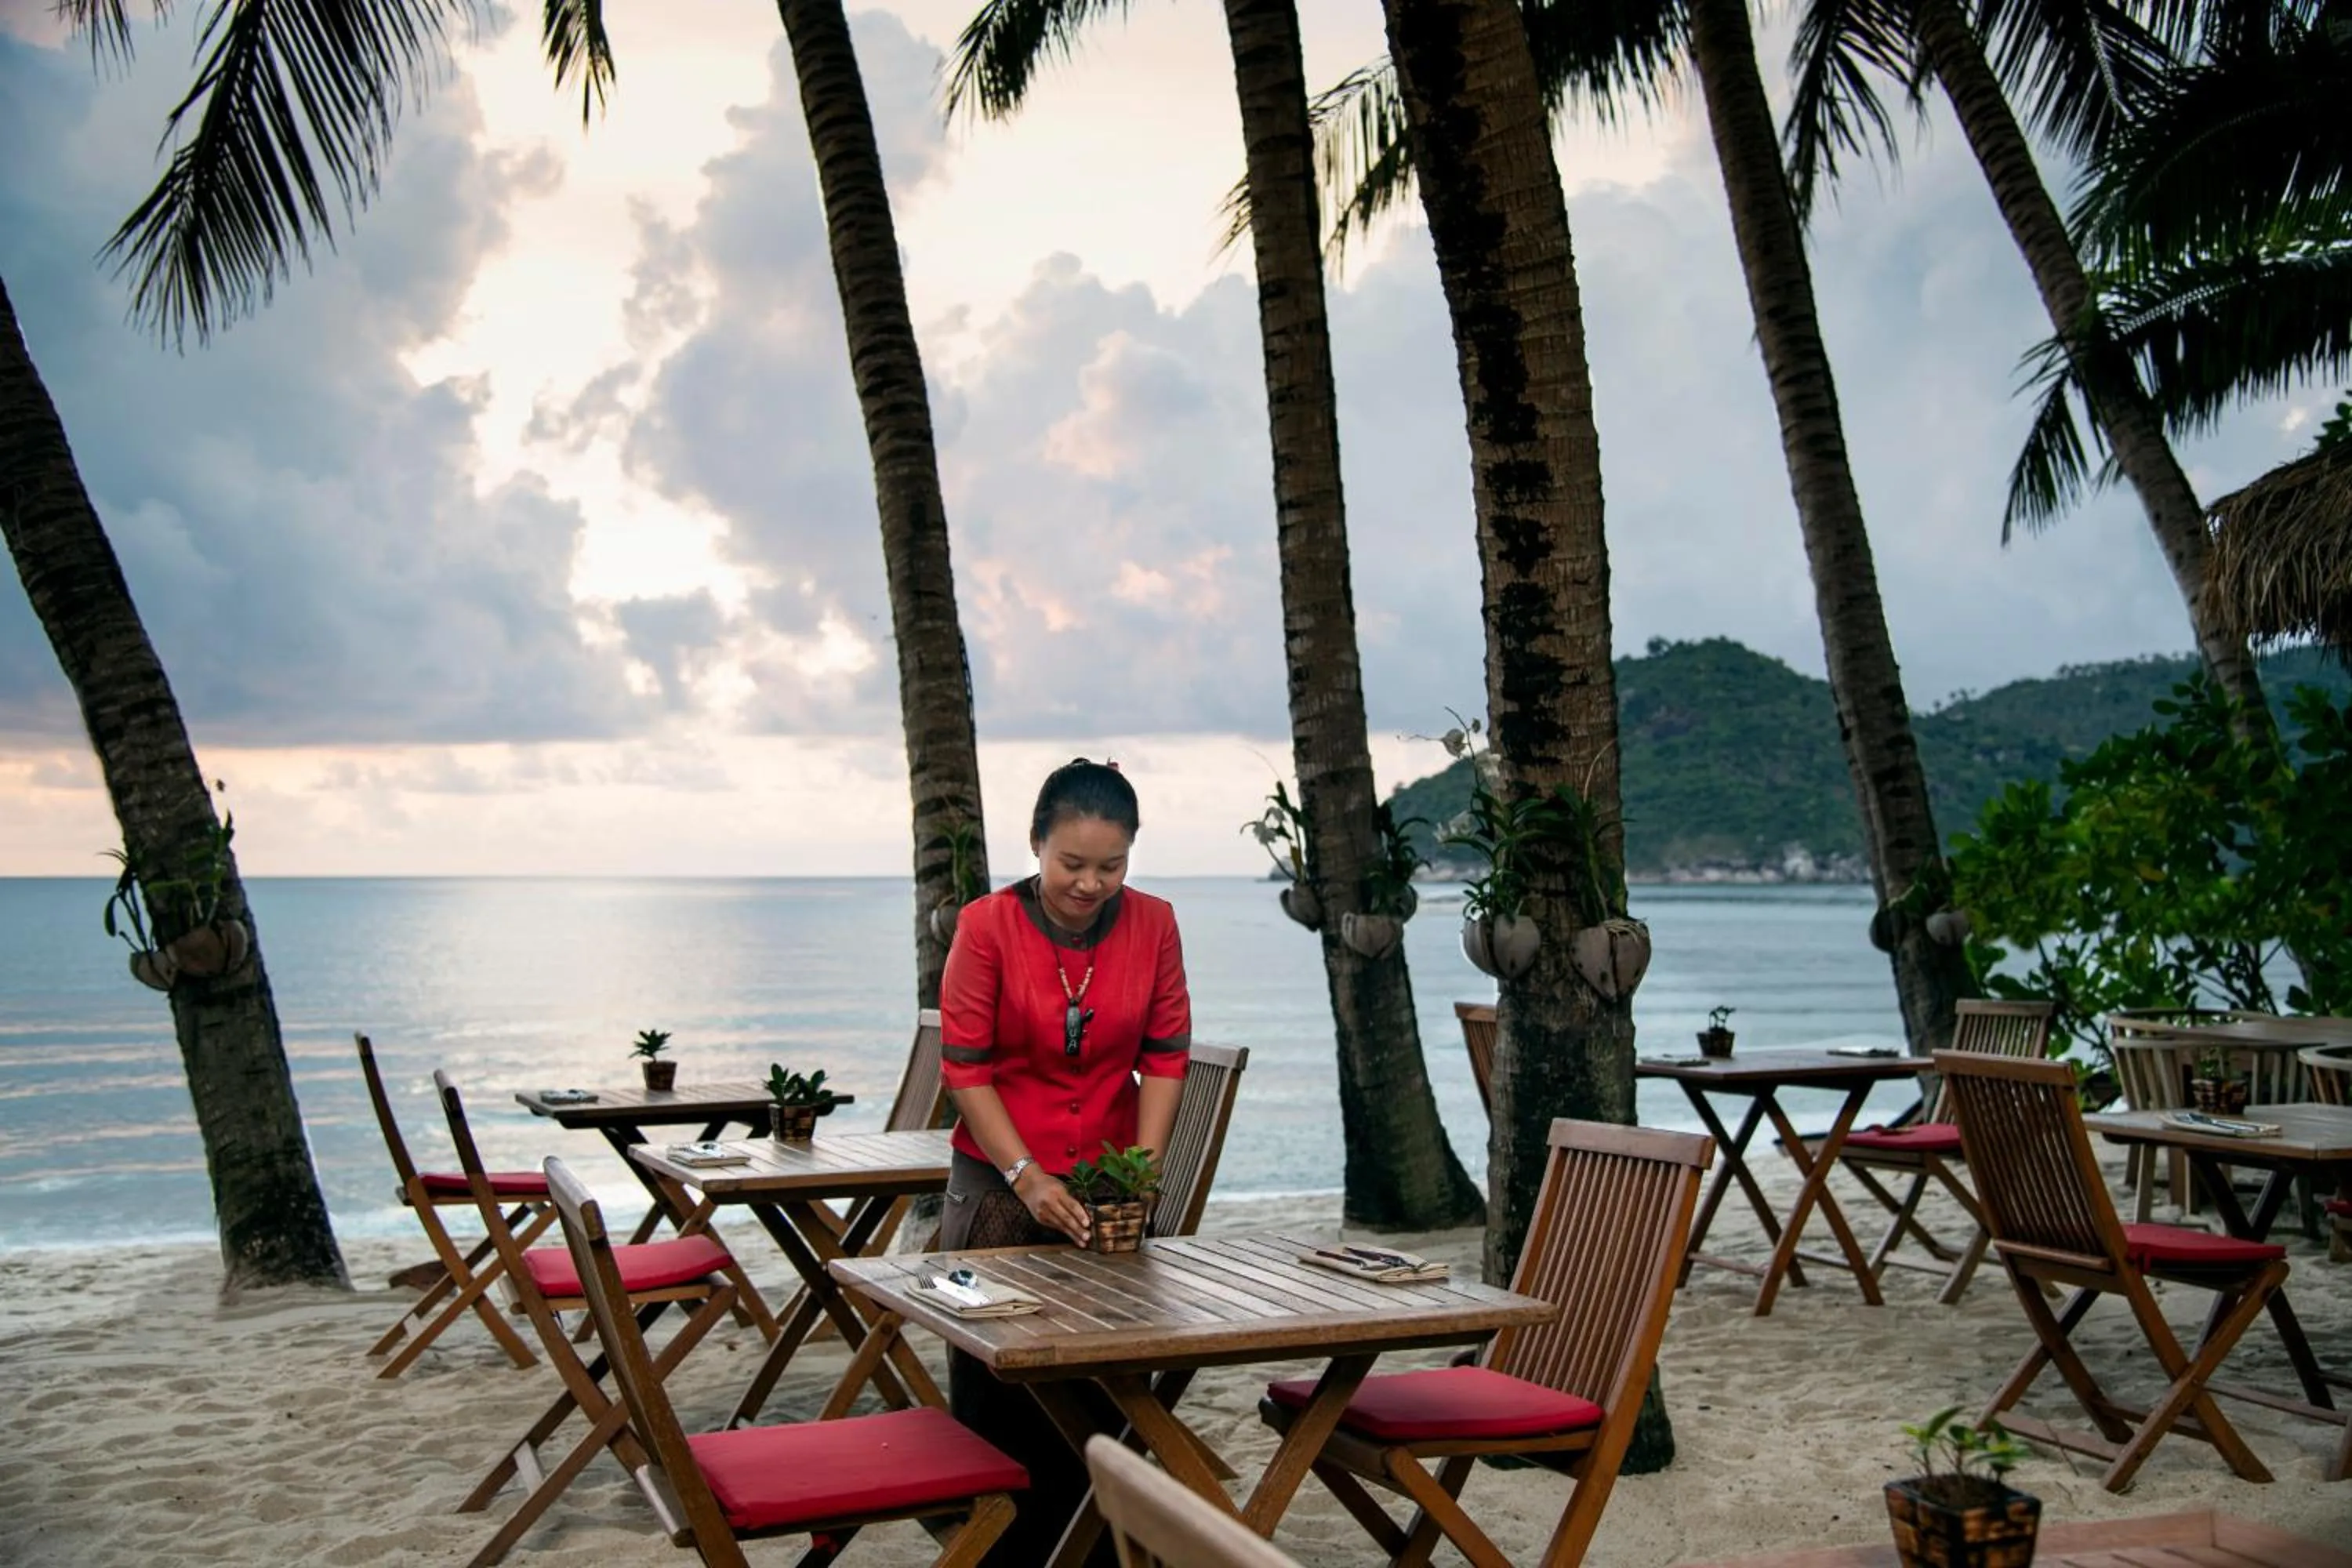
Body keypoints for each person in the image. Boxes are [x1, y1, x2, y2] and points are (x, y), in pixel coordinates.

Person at [936, 757, 1191, 1564]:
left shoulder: (1155, 923)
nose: (1090, 883)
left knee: (1108, 1379)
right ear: (1037, 844)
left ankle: (1104, 1546)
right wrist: (1027, 1175)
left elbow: (1167, 1057)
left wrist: (1140, 1175)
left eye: (1110, 866)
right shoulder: (984, 925)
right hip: (997, 1184)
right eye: (1071, 864)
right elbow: (966, 1068)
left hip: (1106, 1187)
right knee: (1005, 1388)